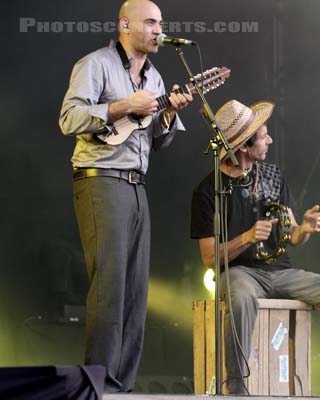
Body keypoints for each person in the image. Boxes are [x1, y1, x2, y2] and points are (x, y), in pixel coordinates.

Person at [190, 99, 320, 396]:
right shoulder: (208, 191)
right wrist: (247, 237)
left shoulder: (273, 175)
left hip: (282, 272)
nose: (270, 140)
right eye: (263, 136)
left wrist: (305, 229)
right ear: (245, 147)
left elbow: (292, 235)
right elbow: (210, 259)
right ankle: (236, 387)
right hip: (240, 273)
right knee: (240, 298)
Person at [58, 0, 192, 392]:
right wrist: (122, 105)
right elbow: (69, 118)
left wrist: (167, 115)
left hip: (137, 186)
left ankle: (122, 386)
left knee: (136, 291)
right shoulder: (96, 64)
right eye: (150, 22)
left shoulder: (156, 78)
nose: (158, 31)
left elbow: (159, 141)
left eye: (161, 24)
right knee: (110, 287)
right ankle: (98, 384)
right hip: (101, 180)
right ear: (125, 24)